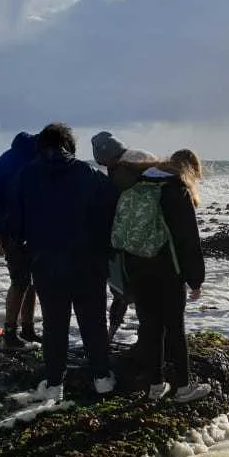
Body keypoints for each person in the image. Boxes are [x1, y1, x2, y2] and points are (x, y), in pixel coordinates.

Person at [7, 122, 117, 400]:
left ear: (41, 147)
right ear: (69, 146)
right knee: (94, 322)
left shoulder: (26, 176)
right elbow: (111, 214)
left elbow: (13, 225)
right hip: (89, 262)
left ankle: (54, 384)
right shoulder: (89, 174)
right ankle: (102, 377)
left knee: (54, 326)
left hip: (46, 263)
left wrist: (23, 251)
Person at [111, 148, 210, 403]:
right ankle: (184, 387)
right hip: (167, 270)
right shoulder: (175, 189)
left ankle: (156, 385)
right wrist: (195, 278)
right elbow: (188, 239)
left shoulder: (138, 183)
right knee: (174, 328)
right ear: (189, 169)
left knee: (149, 327)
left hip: (136, 267)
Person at [0, 131, 39, 348]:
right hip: (12, 230)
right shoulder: (14, 163)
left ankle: (28, 329)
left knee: (31, 282)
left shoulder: (21, 158)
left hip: (28, 229)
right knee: (20, 281)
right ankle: (9, 333)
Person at [91, 131, 149, 341]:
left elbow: (115, 205)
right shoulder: (139, 156)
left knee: (121, 288)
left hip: (131, 239)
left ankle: (112, 334)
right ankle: (149, 338)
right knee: (145, 292)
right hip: (152, 236)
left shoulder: (122, 171)